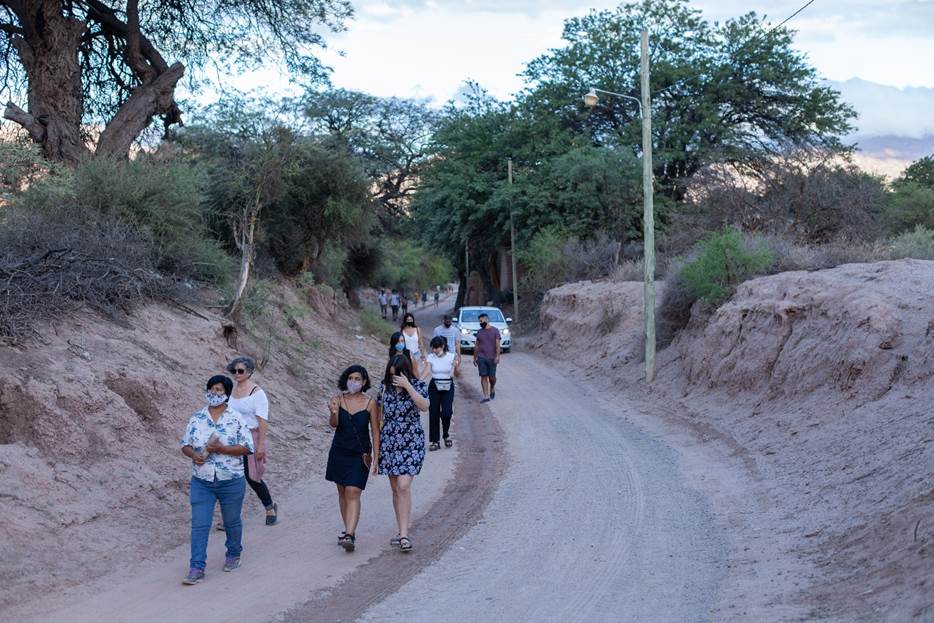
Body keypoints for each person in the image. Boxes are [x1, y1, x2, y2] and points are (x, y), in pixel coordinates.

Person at [179, 375, 254, 585]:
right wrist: (194, 455)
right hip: (202, 481)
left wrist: (221, 449)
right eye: (211, 389)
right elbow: (185, 444)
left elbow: (247, 447)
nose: (214, 393)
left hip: (230, 479)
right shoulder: (196, 418)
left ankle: (233, 553)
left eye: (219, 390)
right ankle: (196, 567)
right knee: (200, 524)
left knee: (231, 521)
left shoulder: (236, 418)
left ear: (227, 394)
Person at [377, 354, 429, 553]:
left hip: (412, 440)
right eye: (391, 375)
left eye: (398, 375)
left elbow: (424, 406)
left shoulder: (418, 386)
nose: (394, 378)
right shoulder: (383, 388)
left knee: (404, 485)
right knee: (396, 490)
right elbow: (377, 416)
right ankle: (402, 531)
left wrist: (408, 386)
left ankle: (405, 535)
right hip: (390, 442)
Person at [326, 365, 380, 552]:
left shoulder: (370, 403)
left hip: (360, 453)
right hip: (339, 451)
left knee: (353, 492)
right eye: (351, 378)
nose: (354, 382)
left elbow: (375, 430)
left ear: (364, 382)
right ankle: (350, 530)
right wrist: (333, 412)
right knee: (342, 492)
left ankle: (349, 534)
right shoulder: (338, 399)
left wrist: (377, 457)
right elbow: (334, 425)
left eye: (358, 379)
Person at [226, 356, 278, 526]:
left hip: (252, 437)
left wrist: (261, 444)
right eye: (234, 370)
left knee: (252, 476)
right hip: (234, 437)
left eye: (240, 371)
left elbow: (262, 420)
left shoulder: (257, 393)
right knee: (232, 476)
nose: (237, 374)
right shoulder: (232, 392)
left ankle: (269, 507)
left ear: (249, 372)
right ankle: (230, 519)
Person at [425, 336, 458, 451]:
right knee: (433, 412)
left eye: (437, 348)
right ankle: (435, 440)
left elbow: (455, 373)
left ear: (443, 346)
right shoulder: (431, 357)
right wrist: (418, 380)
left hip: (447, 386)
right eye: (433, 348)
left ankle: (446, 434)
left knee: (447, 413)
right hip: (434, 386)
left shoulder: (451, 356)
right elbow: (427, 370)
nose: (434, 350)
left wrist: (454, 367)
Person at [473, 312, 501, 403]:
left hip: (492, 358)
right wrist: (474, 358)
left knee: (492, 377)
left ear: (486, 320)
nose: (480, 323)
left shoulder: (495, 331)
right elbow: (477, 345)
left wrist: (497, 356)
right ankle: (485, 396)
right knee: (483, 377)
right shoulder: (479, 332)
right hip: (481, 358)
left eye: (481, 321)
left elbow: (497, 345)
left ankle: (492, 387)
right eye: (479, 322)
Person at [401, 313, 425, 378]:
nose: (409, 321)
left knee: (416, 371)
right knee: (407, 371)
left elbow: (421, 342)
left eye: (411, 319)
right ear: (405, 320)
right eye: (408, 319)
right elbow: (401, 343)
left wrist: (423, 355)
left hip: (416, 354)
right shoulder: (402, 330)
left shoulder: (417, 329)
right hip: (406, 355)